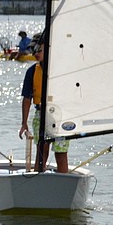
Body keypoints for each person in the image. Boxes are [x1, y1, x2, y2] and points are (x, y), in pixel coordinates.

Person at [18, 34, 70, 173]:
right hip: (41, 114)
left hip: (60, 115)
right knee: (42, 151)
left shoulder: (59, 70)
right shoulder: (32, 72)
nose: (35, 54)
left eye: (39, 50)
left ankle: (63, 183)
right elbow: (27, 99)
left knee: (60, 153)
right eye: (33, 51)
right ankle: (39, 177)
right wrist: (24, 123)